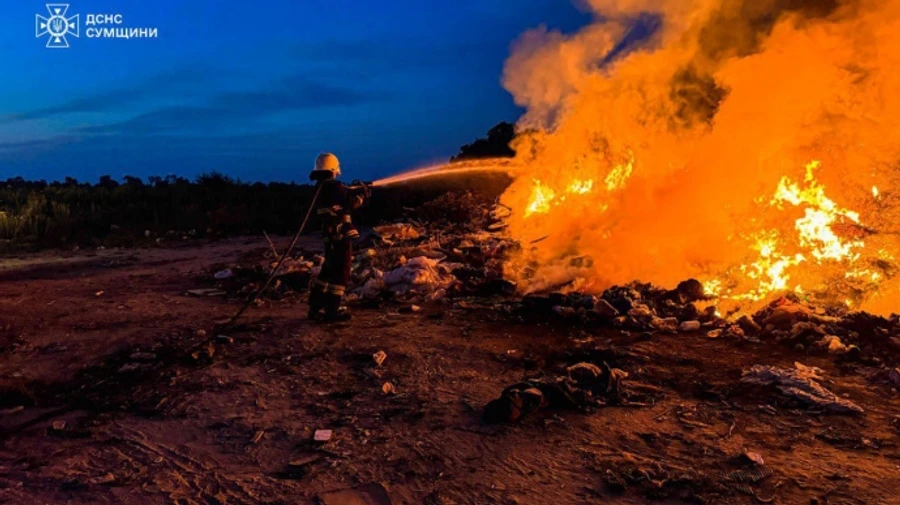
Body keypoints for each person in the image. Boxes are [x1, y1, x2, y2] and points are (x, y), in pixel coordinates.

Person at [307, 153, 369, 321]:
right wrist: (362, 194)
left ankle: (315, 307)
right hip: (340, 234)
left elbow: (341, 197)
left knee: (328, 269)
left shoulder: (322, 187)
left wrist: (353, 189)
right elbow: (350, 202)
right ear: (333, 168)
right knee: (342, 270)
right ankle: (331, 311)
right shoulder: (334, 187)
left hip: (330, 235)